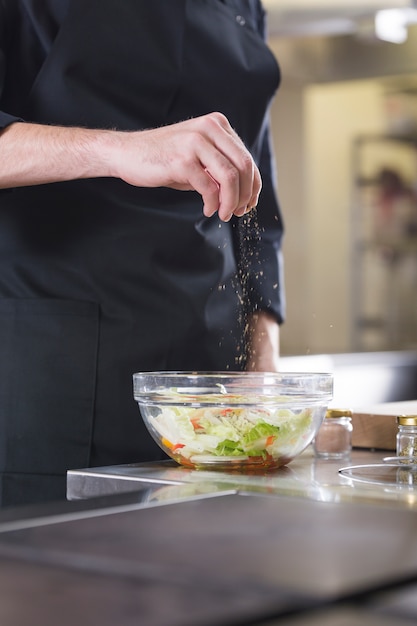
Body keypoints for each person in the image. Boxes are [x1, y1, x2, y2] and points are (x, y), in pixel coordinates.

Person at [0, 0, 285, 506]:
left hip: (210, 376)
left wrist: (262, 364)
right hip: (57, 367)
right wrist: (119, 150)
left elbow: (256, 203)